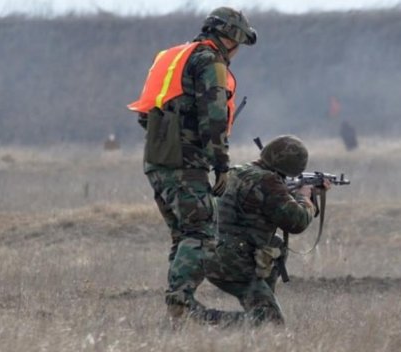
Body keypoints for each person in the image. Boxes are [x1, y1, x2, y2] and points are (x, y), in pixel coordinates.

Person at [126, 7, 257, 320]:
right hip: (187, 162)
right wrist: (221, 164)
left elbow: (148, 114)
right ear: (230, 38)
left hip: (157, 159)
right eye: (238, 44)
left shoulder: (173, 57)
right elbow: (212, 118)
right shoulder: (210, 62)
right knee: (200, 234)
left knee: (184, 235)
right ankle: (180, 303)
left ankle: (180, 308)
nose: (237, 52)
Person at [174, 135, 331, 326]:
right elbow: (296, 222)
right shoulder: (268, 182)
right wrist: (305, 197)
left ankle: (204, 318)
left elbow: (259, 203)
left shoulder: (238, 171)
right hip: (235, 263)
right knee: (270, 323)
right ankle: (198, 319)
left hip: (210, 255)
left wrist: (294, 194)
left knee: (275, 246)